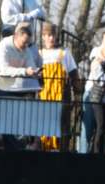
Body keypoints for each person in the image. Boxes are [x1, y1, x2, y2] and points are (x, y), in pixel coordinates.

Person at [0, 23, 42, 150]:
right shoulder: (3, 47)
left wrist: (37, 73)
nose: (25, 46)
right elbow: (3, 70)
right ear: (16, 36)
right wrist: (25, 71)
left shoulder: (26, 50)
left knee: (7, 121)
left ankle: (12, 153)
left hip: (4, 88)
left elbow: (31, 67)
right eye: (23, 43)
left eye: (28, 43)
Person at [37, 22, 80, 152]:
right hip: (43, 95)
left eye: (53, 35)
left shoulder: (64, 53)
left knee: (62, 125)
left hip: (62, 95)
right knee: (43, 126)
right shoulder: (38, 54)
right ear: (43, 36)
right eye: (48, 35)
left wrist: (78, 93)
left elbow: (74, 74)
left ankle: (62, 151)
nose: (51, 38)